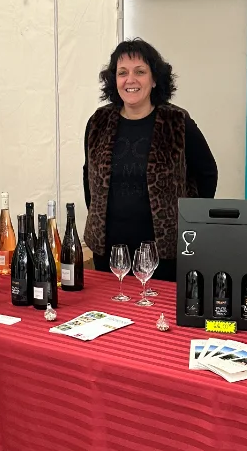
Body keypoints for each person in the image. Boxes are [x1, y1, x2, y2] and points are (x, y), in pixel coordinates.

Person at [83, 38, 218, 282]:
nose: (130, 80)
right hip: (109, 252)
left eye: (140, 72)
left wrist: (190, 222)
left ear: (154, 79)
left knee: (156, 317)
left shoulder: (177, 121)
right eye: (122, 73)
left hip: (164, 252)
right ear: (114, 80)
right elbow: (88, 177)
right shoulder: (98, 122)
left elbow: (207, 173)